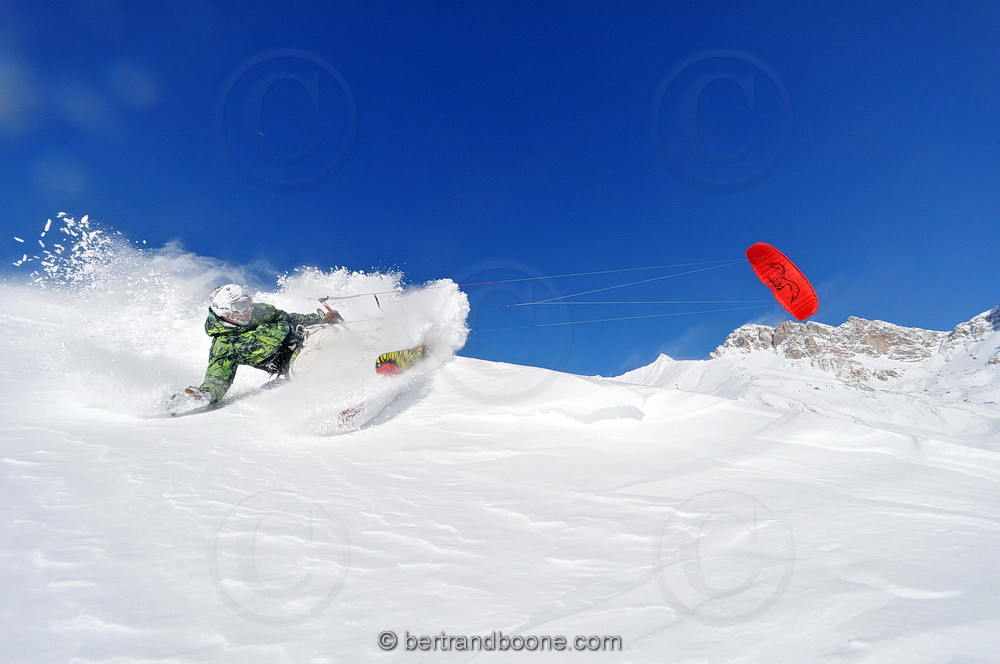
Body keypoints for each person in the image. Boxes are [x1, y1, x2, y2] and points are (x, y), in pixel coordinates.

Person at [179, 284, 343, 406]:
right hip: (293, 362)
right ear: (223, 311)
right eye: (239, 307)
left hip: (305, 335)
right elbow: (218, 376)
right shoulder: (225, 345)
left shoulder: (260, 311)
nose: (246, 311)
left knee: (339, 338)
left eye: (247, 303)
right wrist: (206, 394)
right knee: (317, 364)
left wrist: (321, 319)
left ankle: (370, 354)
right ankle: (355, 383)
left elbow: (289, 318)